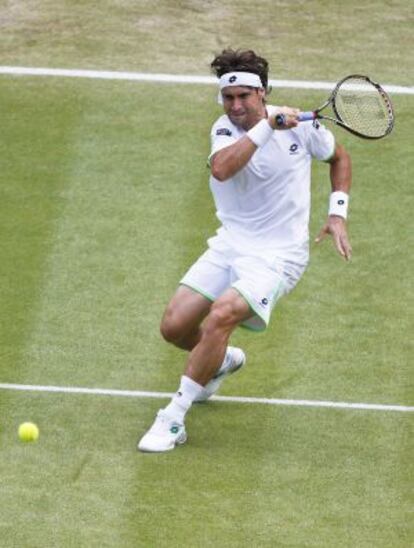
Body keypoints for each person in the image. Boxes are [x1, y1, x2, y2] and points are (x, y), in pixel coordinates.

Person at [138, 48, 352, 452]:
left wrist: (337, 213)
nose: (235, 106)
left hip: (280, 255)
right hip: (230, 244)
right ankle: (218, 362)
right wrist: (268, 126)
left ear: (264, 92)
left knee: (223, 314)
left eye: (245, 96)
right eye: (228, 97)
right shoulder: (224, 129)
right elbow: (222, 168)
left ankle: (173, 418)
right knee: (174, 327)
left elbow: (339, 157)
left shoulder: (304, 128)